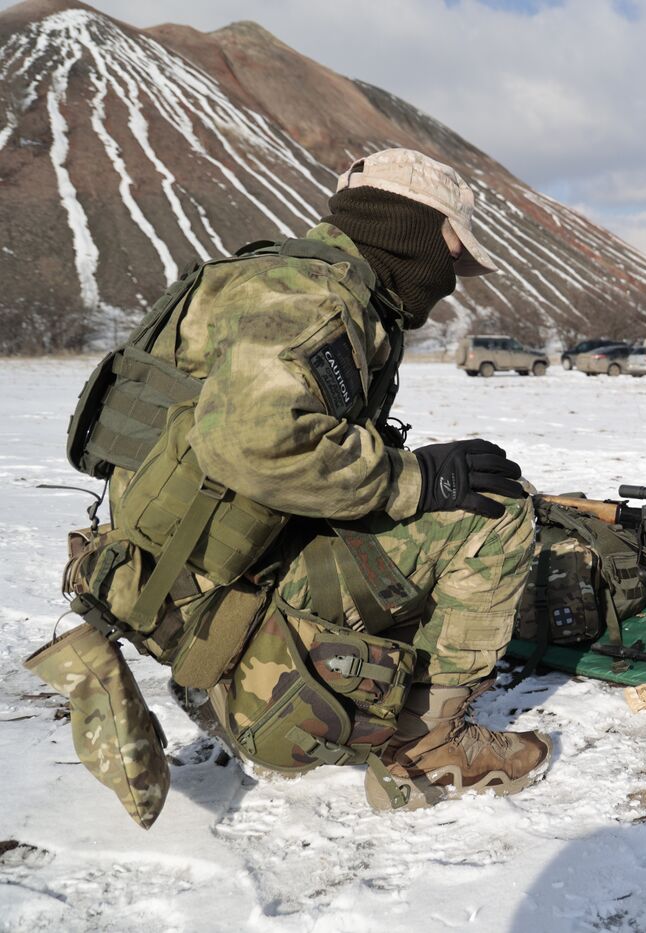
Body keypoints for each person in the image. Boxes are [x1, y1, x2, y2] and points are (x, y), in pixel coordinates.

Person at [45, 148, 549, 816]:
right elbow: (252, 443)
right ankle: (428, 749)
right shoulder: (314, 296)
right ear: (413, 229)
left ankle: (247, 677)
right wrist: (412, 480)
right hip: (211, 587)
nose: (453, 274)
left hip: (167, 575)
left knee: (449, 486)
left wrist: (413, 473)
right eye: (453, 251)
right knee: (497, 513)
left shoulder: (274, 275)